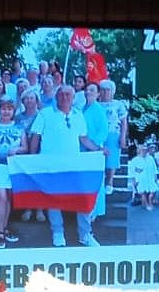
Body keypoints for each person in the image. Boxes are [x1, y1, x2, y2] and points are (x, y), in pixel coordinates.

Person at [29, 84, 103, 247]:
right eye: (61, 94)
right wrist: (33, 159)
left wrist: (98, 149)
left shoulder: (78, 115)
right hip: (51, 165)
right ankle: (57, 233)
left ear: (74, 98)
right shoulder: (45, 113)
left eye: (68, 95)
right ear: (56, 97)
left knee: (83, 198)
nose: (64, 97)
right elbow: (35, 137)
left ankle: (85, 234)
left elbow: (83, 139)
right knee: (54, 199)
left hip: (73, 164)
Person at [0, 96, 27, 249]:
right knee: (1, 197)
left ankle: (5, 227)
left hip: (13, 166)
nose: (6, 111)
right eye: (3, 108)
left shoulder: (20, 127)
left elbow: (25, 148)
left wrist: (17, 149)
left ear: (13, 111)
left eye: (9, 109)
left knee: (8, 197)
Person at [15, 89, 46, 223]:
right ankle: (27, 208)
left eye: (31, 98)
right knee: (26, 181)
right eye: (26, 98)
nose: (29, 101)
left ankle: (39, 209)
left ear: (36, 100)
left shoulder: (42, 116)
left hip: (39, 152)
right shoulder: (18, 117)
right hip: (23, 152)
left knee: (39, 181)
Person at [82, 82, 108, 221]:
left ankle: (95, 210)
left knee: (96, 180)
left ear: (98, 94)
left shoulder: (99, 109)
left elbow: (103, 130)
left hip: (94, 149)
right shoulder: (82, 108)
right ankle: (86, 207)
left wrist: (94, 145)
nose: (88, 92)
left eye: (92, 90)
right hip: (83, 148)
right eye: (87, 90)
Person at [99, 79, 128, 195]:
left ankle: (110, 181)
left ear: (112, 91)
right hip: (99, 135)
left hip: (113, 134)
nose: (105, 92)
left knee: (112, 159)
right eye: (102, 90)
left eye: (107, 90)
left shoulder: (118, 105)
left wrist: (123, 137)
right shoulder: (96, 104)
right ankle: (100, 181)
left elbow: (124, 122)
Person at [129, 144, 159, 211]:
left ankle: (150, 202)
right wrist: (134, 181)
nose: (144, 151)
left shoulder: (150, 158)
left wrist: (155, 176)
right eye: (143, 150)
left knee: (153, 191)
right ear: (139, 150)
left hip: (150, 178)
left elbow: (154, 169)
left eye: (145, 150)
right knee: (142, 193)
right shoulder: (134, 160)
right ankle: (147, 204)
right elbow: (132, 172)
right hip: (140, 179)